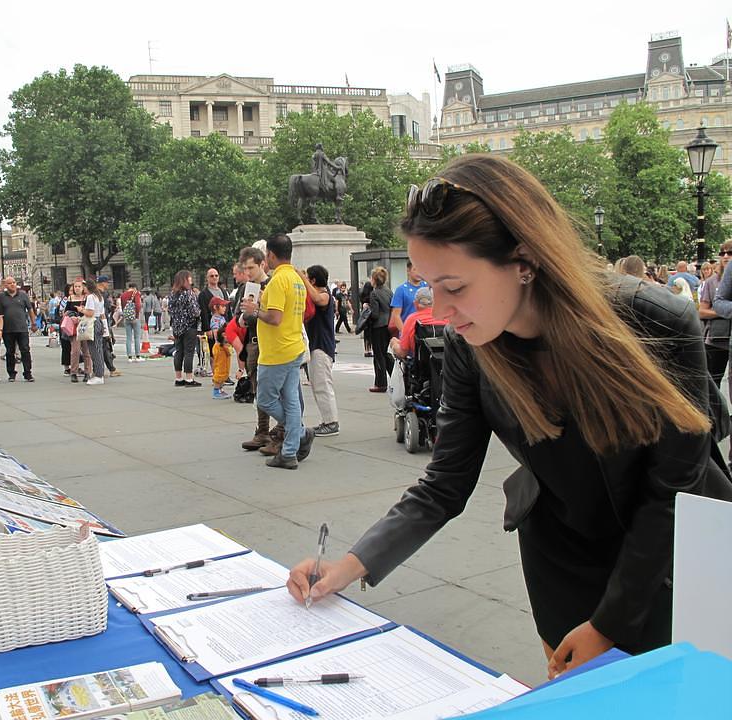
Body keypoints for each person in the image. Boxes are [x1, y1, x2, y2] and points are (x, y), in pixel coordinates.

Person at [286, 155, 732, 679]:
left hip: (678, 559)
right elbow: (444, 484)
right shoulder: (467, 346)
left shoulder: (655, 318)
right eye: (429, 286)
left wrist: (608, 624)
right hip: (561, 557)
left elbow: (670, 495)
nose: (441, 310)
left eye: (455, 286)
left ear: (524, 260)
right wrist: (348, 565)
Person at [240, 234, 314, 469]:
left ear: (271, 255)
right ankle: (290, 450)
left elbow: (274, 317)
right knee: (291, 400)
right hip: (292, 347)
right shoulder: (295, 278)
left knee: (265, 399)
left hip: (277, 351)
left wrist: (254, 309)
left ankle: (298, 433)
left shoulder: (279, 280)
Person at [234, 246, 279, 451]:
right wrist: (244, 316)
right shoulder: (246, 287)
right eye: (246, 268)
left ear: (262, 264)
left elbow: (276, 316)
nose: (248, 273)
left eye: (251, 268)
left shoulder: (273, 284)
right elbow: (238, 318)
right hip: (254, 341)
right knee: (258, 388)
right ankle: (263, 431)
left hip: (272, 342)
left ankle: (281, 432)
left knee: (275, 391)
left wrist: (257, 308)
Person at [300, 264, 339, 437]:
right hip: (317, 345)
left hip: (322, 346)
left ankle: (331, 422)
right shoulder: (320, 295)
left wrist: (302, 279)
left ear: (313, 280)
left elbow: (318, 298)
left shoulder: (325, 296)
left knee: (323, 384)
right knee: (318, 384)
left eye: (308, 278)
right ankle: (327, 420)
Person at [701, 240, 732, 389]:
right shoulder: (711, 282)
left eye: (730, 252)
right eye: (722, 253)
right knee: (713, 382)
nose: (725, 256)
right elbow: (702, 311)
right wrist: (724, 312)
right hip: (716, 339)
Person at [389, 287, 448, 361]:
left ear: (415, 303)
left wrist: (394, 345)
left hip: (420, 367)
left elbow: (402, 353)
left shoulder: (412, 320)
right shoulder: (447, 318)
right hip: (446, 367)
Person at [0, 276, 36, 382]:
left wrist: (33, 323)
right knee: (10, 351)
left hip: (22, 328)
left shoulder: (23, 295)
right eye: (9, 283)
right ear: (5, 285)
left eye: (14, 282)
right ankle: (11, 373)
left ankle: (28, 373)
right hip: (8, 329)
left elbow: (30, 309)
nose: (12, 284)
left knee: (25, 350)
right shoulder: (0, 297)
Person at [168, 271, 202, 387]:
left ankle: (178, 377)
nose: (191, 280)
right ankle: (189, 378)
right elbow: (195, 311)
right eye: (190, 278)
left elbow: (170, 311)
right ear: (185, 280)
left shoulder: (172, 294)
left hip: (177, 327)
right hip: (189, 326)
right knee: (189, 352)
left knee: (179, 352)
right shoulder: (188, 293)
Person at [368, 266, 394, 392]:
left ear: (373, 279)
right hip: (388, 324)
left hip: (378, 326)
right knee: (385, 354)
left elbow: (375, 314)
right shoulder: (388, 291)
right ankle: (395, 378)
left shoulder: (374, 293)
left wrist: (367, 309)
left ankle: (380, 383)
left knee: (378, 355)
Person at [389, 261, 428, 334]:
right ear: (408, 271)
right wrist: (405, 332)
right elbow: (396, 315)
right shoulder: (401, 290)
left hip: (426, 331)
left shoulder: (428, 287)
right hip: (409, 331)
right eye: (415, 269)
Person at [83, 280, 107, 385]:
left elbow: (90, 312)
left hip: (93, 321)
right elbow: (102, 313)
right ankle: (99, 372)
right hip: (99, 322)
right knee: (98, 348)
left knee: (94, 349)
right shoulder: (99, 297)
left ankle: (98, 375)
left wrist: (81, 310)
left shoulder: (90, 297)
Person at [209, 297, 232, 399]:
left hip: (224, 346)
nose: (225, 308)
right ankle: (216, 390)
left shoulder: (222, 318)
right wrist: (223, 340)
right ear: (215, 307)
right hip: (220, 346)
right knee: (220, 368)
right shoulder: (215, 319)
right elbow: (216, 333)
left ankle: (220, 389)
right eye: (222, 306)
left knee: (225, 368)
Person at [120, 282, 145, 362]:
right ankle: (137, 356)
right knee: (137, 337)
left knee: (128, 337)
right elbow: (138, 305)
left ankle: (129, 357)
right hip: (134, 318)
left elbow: (122, 306)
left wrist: (126, 315)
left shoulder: (123, 295)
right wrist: (136, 316)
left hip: (127, 318)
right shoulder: (136, 293)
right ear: (135, 288)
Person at [359, 277, 373, 357]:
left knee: (366, 333)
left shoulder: (362, 296)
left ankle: (366, 349)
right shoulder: (371, 296)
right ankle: (370, 349)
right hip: (370, 316)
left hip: (364, 316)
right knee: (370, 334)